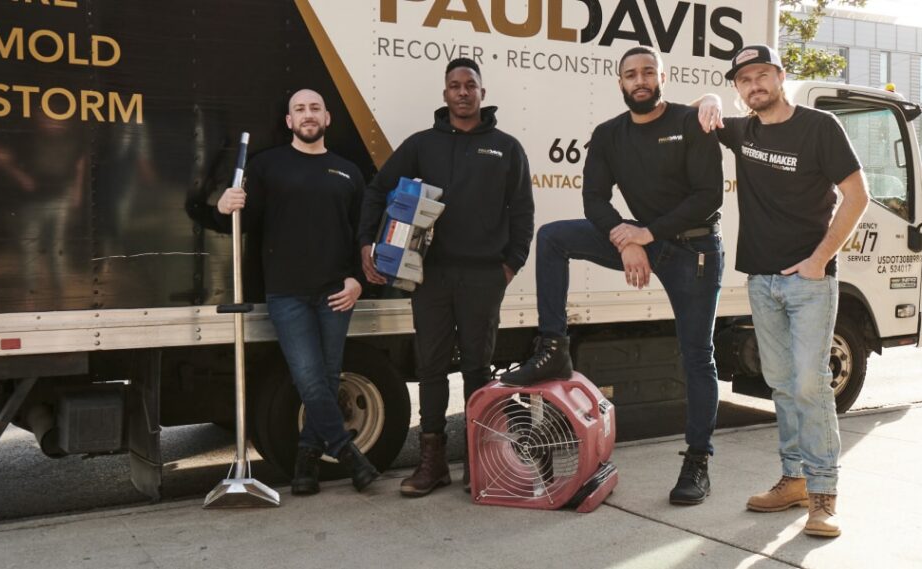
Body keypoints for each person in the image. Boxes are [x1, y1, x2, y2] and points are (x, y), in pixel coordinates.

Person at [501, 46, 725, 506]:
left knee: (697, 356)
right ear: (619, 82)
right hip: (643, 239)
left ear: (663, 76)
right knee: (553, 238)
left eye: (648, 72)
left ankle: (697, 462)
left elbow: (707, 196)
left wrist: (644, 234)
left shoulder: (690, 122)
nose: (639, 80)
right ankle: (553, 348)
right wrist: (627, 241)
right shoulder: (608, 134)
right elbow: (595, 200)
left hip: (694, 249)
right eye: (630, 74)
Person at [695, 44, 869, 537]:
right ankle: (792, 479)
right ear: (739, 88)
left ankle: (823, 495)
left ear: (780, 76)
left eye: (762, 75)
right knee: (781, 383)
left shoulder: (819, 128)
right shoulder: (743, 130)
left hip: (810, 283)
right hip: (761, 282)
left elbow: (858, 195)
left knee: (812, 385)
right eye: (744, 80)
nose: (754, 85)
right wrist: (707, 96)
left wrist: (820, 260)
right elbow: (700, 112)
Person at [358, 58, 534, 498]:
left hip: (483, 276)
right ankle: (432, 464)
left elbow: (523, 212)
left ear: (482, 92)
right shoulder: (421, 144)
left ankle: (480, 462)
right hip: (430, 276)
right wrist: (368, 243)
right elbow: (378, 189)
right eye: (454, 86)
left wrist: (509, 265)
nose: (462, 92)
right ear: (444, 94)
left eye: (469, 85)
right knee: (431, 367)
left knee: (478, 368)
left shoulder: (506, 147)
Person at [216, 89, 379, 496]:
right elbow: (241, 221)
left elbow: (364, 236)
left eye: (315, 109)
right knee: (309, 381)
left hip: (336, 294)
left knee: (324, 380)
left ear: (328, 118)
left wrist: (359, 279)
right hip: (287, 295)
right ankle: (348, 454)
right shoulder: (267, 165)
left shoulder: (348, 172)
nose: (308, 115)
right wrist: (224, 206)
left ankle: (305, 467)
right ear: (288, 121)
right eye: (299, 110)